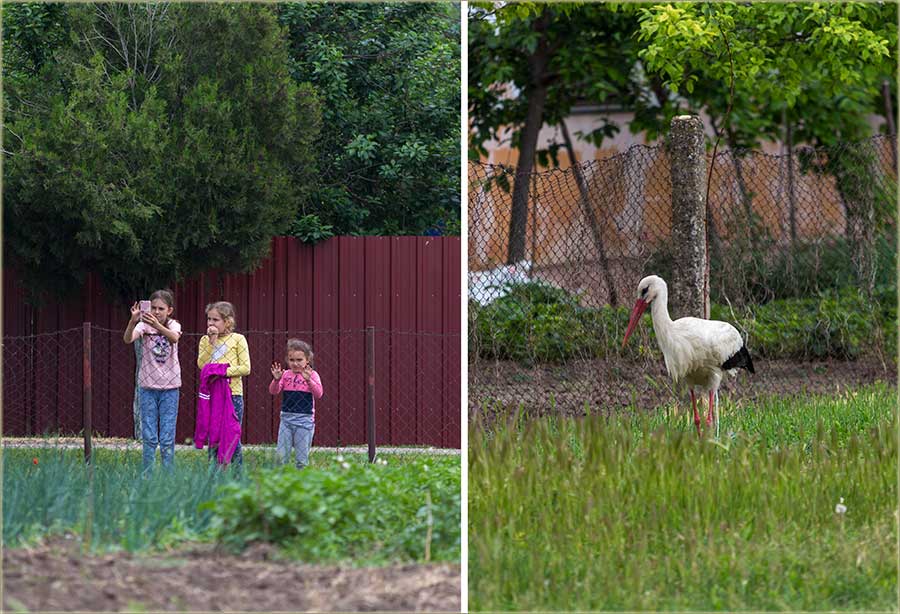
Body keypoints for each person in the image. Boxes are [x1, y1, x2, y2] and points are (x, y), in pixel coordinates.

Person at [123, 289, 182, 472]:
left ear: (169, 310)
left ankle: (168, 474)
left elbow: (173, 338)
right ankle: (147, 473)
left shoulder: (174, 325)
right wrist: (133, 321)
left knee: (167, 435)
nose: (156, 312)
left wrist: (157, 326)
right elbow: (127, 339)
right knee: (149, 434)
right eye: (153, 307)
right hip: (147, 387)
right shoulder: (143, 325)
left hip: (170, 387)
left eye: (161, 308)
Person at [197, 301, 251, 466]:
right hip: (213, 396)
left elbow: (246, 368)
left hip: (232, 394)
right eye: (209, 319)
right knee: (214, 435)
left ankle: (237, 474)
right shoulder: (205, 341)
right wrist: (211, 344)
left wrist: (222, 372)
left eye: (216, 320)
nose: (211, 323)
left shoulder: (237, 339)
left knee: (231, 434)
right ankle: (215, 474)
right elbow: (202, 365)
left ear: (227, 322)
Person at [269, 339, 324, 469]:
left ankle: (301, 484)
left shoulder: (313, 375)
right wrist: (276, 380)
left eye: (299, 360)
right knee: (281, 458)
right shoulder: (285, 375)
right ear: (287, 360)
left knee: (301, 460)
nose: (295, 363)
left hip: (304, 422)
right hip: (286, 421)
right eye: (292, 360)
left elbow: (319, 393)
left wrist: (308, 380)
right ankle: (281, 482)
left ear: (307, 360)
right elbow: (273, 391)